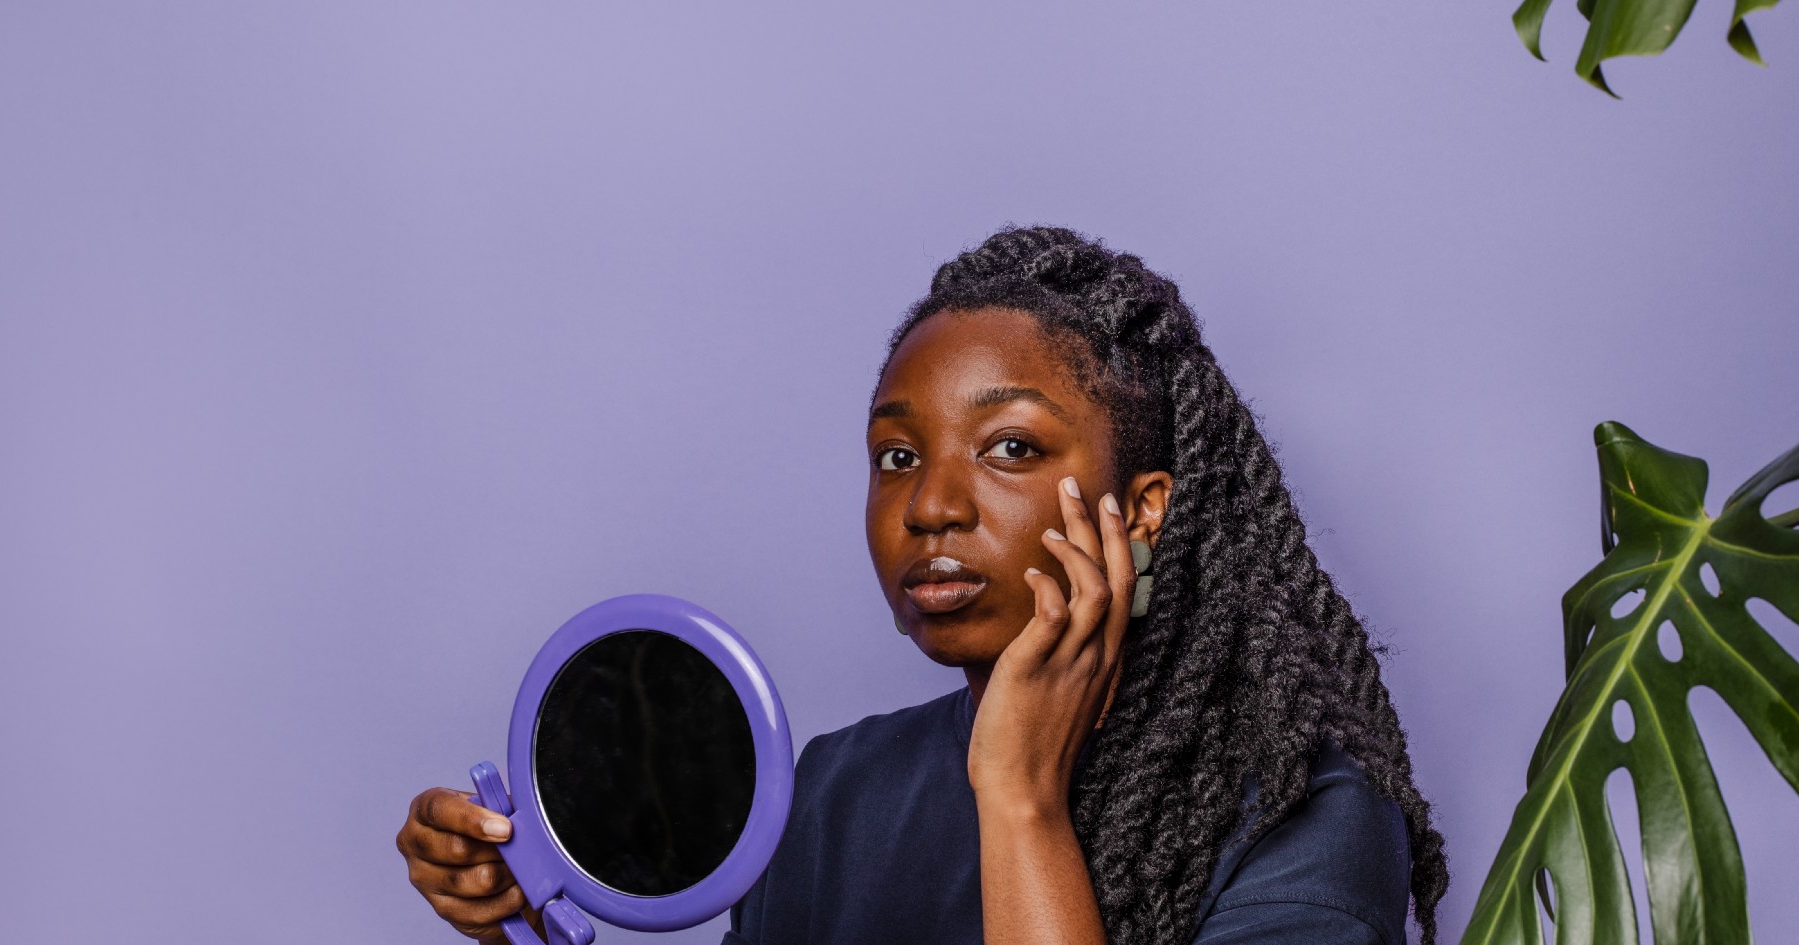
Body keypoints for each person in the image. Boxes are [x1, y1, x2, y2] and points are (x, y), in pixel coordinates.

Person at [396, 225, 1450, 945]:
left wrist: (1022, 801)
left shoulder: (1310, 823)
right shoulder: (831, 795)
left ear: (1142, 511)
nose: (931, 506)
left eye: (1008, 448)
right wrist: (522, 927)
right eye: (898, 456)